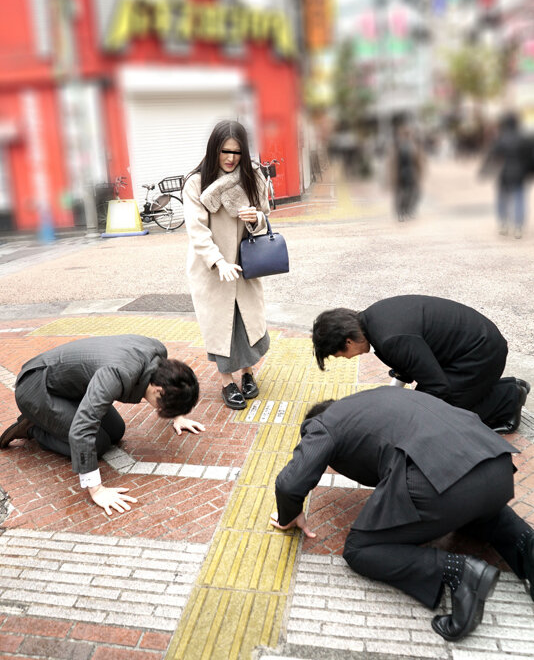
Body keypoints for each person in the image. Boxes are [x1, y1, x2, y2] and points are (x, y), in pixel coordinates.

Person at [271, 388, 534, 642]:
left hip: (441, 483)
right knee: (476, 510)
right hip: (497, 465)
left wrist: (289, 513)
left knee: (360, 549)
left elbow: (289, 484)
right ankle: (528, 546)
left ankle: (461, 572)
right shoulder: (376, 398)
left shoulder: (324, 423)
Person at [0, 335, 204, 515]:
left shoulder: (157, 354)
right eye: (164, 407)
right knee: (96, 444)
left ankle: (54, 417)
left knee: (116, 431)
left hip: (72, 387)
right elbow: (82, 430)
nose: (162, 411)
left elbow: (175, 382)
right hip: (37, 389)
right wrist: (96, 490)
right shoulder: (115, 374)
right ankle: (34, 427)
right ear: (158, 390)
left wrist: (178, 416)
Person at [312, 295, 530, 433]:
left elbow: (439, 388)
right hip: (464, 351)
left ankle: (510, 397)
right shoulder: (373, 320)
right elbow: (408, 368)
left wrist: (409, 415)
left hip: (481, 354)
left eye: (340, 355)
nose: (347, 358)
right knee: (420, 406)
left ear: (348, 342)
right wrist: (391, 400)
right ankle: (501, 389)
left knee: (438, 417)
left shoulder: (390, 339)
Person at [183, 120, 271, 411]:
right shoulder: (196, 183)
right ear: (214, 150)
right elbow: (197, 231)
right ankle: (226, 382)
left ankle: (247, 373)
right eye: (225, 151)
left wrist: (256, 218)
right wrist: (218, 261)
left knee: (247, 322)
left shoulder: (253, 176)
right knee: (221, 326)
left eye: (237, 152)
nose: (231, 158)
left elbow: (265, 214)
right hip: (213, 268)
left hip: (245, 264)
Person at [480, 111, 530, 239]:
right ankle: (518, 226)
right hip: (520, 173)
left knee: (502, 199)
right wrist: (529, 171)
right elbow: (531, 157)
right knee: (519, 199)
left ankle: (503, 224)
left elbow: (492, 155)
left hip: (503, 173)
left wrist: (484, 171)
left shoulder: (500, 138)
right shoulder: (523, 138)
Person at [388, 121, 424, 221]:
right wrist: (392, 176)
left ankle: (407, 210)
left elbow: (418, 161)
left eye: (408, 133)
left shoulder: (413, 146)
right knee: (401, 193)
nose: (407, 135)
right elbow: (392, 163)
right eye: (405, 133)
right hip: (401, 173)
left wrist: (419, 173)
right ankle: (401, 212)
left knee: (413, 192)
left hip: (411, 172)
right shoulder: (397, 146)